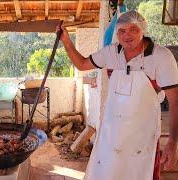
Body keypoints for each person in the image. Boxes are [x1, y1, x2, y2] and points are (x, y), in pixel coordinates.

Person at [58, 10, 178, 180]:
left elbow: (175, 102)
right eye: (121, 31)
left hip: (141, 139)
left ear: (143, 30)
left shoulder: (161, 57)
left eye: (133, 30)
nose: (127, 36)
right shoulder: (111, 53)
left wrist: (173, 142)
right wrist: (66, 40)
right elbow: (82, 64)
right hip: (111, 135)